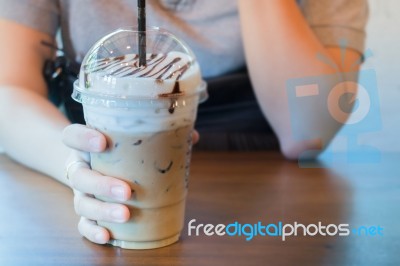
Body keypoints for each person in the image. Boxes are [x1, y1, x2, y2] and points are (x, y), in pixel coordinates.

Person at [0, 0, 368, 244]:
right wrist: (76, 168)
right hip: (101, 206)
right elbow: (9, 90)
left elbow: (306, 132)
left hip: (265, 221)